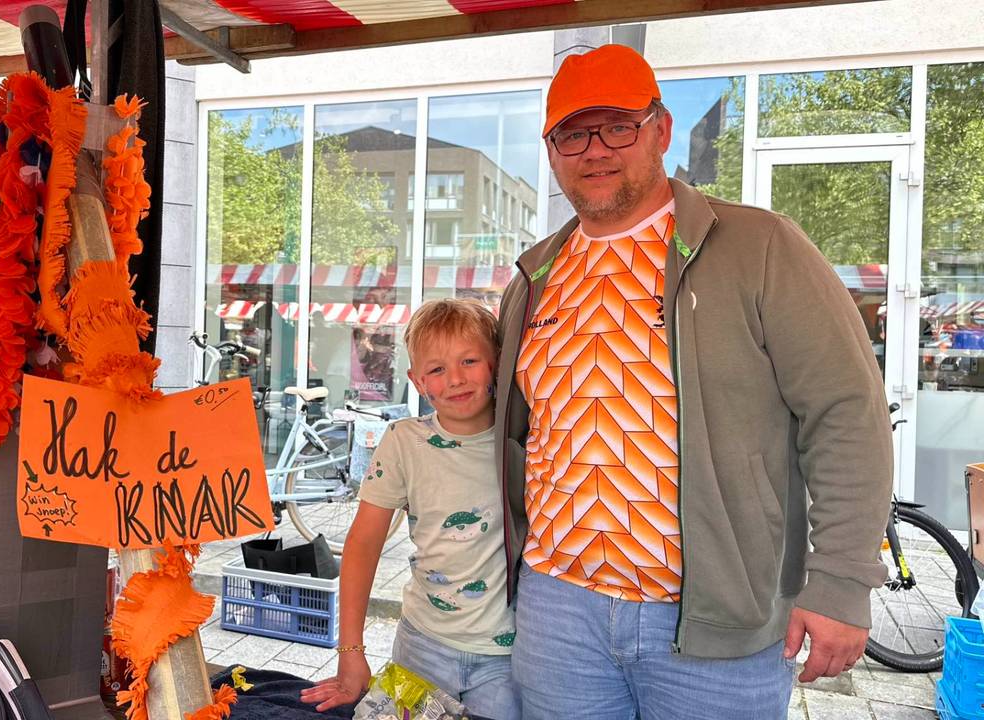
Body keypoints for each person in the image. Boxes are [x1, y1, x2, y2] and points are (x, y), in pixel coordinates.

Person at [495, 44, 893, 719]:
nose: (595, 149)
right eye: (572, 132)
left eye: (617, 125)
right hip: (557, 612)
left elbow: (847, 413)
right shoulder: (535, 275)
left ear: (661, 128)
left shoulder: (760, 247)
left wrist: (842, 581)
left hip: (716, 625)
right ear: (552, 148)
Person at [303, 298, 519, 720]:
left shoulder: (526, 442)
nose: (455, 379)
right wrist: (350, 652)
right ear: (418, 382)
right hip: (421, 645)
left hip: (508, 660)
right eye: (437, 369)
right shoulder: (402, 441)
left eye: (470, 361)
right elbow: (363, 544)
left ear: (497, 363)